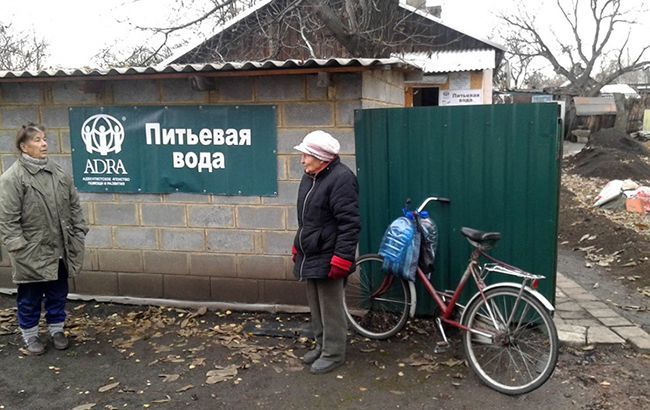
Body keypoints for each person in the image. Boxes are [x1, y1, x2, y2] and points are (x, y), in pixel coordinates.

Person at [0, 123, 88, 355]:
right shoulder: (13, 178)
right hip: (31, 250)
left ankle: (56, 329)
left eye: (45, 138)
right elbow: (7, 219)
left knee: (58, 292)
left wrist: (79, 231)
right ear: (24, 147)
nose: (44, 143)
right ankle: (30, 335)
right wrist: (19, 248)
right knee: (30, 297)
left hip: (59, 248)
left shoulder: (58, 172)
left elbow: (74, 204)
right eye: (37, 140)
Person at [292, 130, 360, 374]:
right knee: (316, 304)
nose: (302, 160)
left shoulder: (342, 179)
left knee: (330, 307)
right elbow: (307, 219)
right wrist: (297, 244)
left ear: (321, 157)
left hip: (330, 253)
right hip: (310, 250)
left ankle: (334, 353)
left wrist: (342, 258)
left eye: (306, 155)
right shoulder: (311, 176)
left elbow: (349, 224)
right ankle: (321, 345)